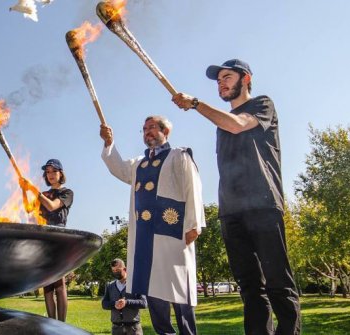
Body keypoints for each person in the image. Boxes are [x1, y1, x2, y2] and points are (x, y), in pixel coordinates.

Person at [172, 59, 301, 335]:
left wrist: (196, 104)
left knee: (278, 281)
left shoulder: (262, 104)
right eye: (218, 80)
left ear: (246, 78)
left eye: (227, 77)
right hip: (231, 213)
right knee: (250, 287)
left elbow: (238, 124)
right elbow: (227, 125)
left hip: (263, 205)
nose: (221, 83)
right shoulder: (221, 125)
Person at [100, 116, 206, 335]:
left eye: (152, 127)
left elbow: (193, 188)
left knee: (181, 294)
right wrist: (109, 143)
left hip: (174, 233)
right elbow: (119, 168)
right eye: (144, 129)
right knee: (155, 292)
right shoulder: (138, 163)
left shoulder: (179, 155)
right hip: (145, 239)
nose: (147, 132)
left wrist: (194, 225)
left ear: (165, 130)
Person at [21, 158, 74, 321]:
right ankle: (51, 323)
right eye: (48, 172)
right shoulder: (44, 194)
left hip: (59, 237)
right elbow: (29, 209)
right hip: (44, 239)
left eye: (54, 171)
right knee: (47, 285)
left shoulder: (67, 193)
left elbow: (52, 206)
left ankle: (62, 324)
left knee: (59, 283)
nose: (50, 174)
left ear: (61, 173)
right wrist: (24, 190)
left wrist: (34, 190)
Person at [102, 258, 147, 335]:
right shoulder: (110, 286)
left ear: (125, 269)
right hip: (116, 329)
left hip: (134, 329)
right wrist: (114, 304)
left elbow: (144, 303)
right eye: (113, 271)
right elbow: (104, 304)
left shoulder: (136, 284)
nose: (115, 272)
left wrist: (126, 302)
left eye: (118, 270)